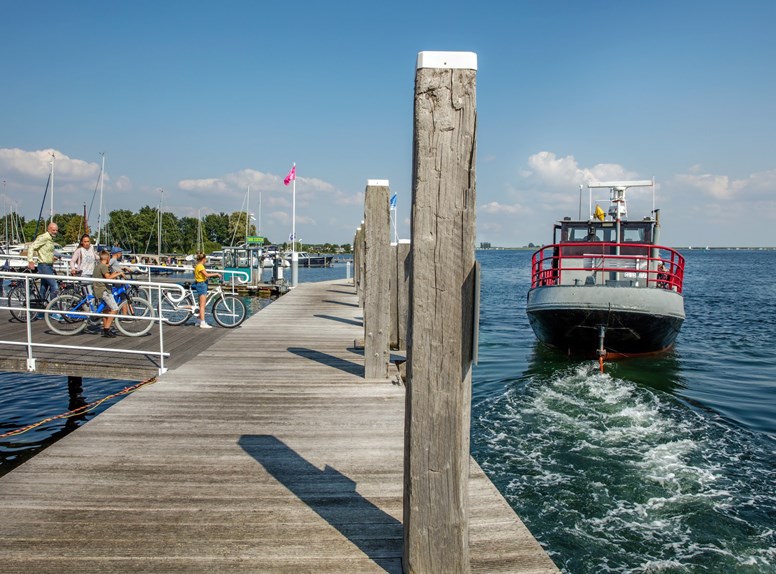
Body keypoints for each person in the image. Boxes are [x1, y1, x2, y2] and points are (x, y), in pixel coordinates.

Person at [93, 250, 125, 337]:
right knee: (115, 308)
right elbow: (108, 278)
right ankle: (107, 329)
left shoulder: (97, 266)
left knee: (106, 309)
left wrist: (114, 273)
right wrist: (119, 273)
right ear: (107, 258)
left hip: (97, 289)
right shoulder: (103, 266)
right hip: (103, 290)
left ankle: (105, 327)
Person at [27, 221, 60, 302]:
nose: (55, 232)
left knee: (43, 288)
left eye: (56, 230)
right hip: (43, 266)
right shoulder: (44, 237)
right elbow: (31, 247)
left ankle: (40, 311)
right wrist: (30, 261)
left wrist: (52, 257)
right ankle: (53, 308)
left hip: (49, 265)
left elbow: (46, 251)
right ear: (49, 229)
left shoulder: (50, 239)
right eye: (53, 230)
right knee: (54, 286)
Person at [193, 252, 220, 329]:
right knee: (202, 306)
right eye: (205, 259)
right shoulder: (200, 266)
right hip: (202, 285)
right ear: (203, 259)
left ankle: (198, 320)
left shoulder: (197, 266)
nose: (206, 260)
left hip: (200, 284)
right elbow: (207, 275)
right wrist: (216, 274)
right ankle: (202, 323)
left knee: (201, 305)